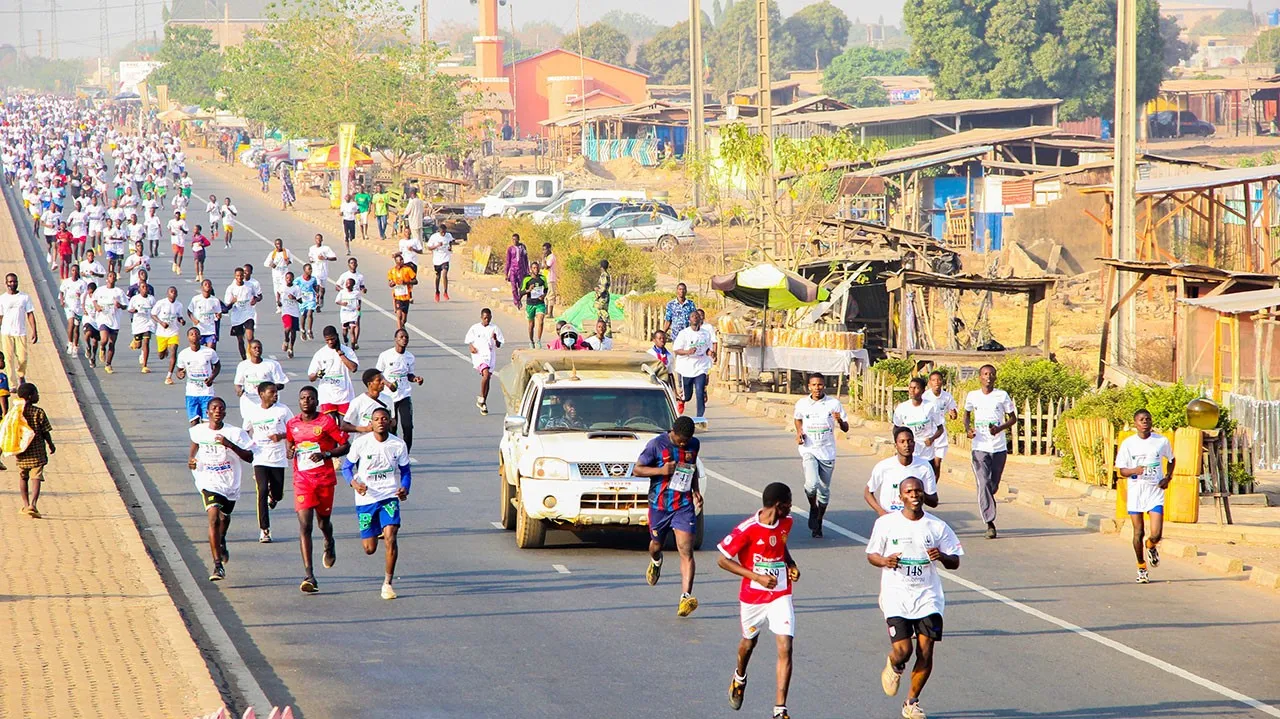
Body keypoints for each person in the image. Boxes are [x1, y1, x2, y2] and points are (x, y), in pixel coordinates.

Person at [866, 477, 964, 719]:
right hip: (896, 595)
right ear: (901, 497)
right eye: (909, 491)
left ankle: (911, 702)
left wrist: (941, 556)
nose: (914, 494)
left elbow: (955, 561)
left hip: (928, 596)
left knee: (926, 651)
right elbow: (872, 555)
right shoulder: (887, 524)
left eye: (918, 491)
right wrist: (885, 561)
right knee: (903, 650)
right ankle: (895, 664)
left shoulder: (937, 527)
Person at [718, 482, 800, 719]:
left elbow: (781, 547)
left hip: (780, 593)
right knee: (748, 643)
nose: (791, 507)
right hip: (753, 596)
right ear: (777, 504)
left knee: (786, 645)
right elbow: (722, 560)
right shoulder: (748, 529)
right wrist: (757, 577)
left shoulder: (787, 522)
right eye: (788, 503)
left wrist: (790, 564)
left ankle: (780, 709)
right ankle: (739, 676)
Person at [634, 416, 702, 617]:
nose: (684, 444)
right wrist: (661, 470)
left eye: (687, 441)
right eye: (681, 440)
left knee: (686, 550)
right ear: (673, 432)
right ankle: (656, 561)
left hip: (683, 505)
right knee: (656, 545)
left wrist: (696, 490)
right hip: (660, 504)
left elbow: (692, 467)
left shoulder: (694, 444)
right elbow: (637, 469)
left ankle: (685, 597)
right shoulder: (656, 445)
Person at [341, 407, 411, 600]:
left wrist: (404, 488)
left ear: (390, 422)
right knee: (369, 549)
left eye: (384, 419)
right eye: (376, 419)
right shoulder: (361, 444)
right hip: (366, 499)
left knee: (391, 537)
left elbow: (405, 472)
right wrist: (354, 483)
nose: (380, 422)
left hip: (389, 496)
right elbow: (346, 467)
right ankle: (376, 529)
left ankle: (387, 583)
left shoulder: (398, 445)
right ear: (370, 423)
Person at [286, 386, 350, 593]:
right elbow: (290, 444)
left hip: (323, 479)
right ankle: (309, 575)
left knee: (323, 522)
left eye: (310, 398)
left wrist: (326, 454)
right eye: (303, 398)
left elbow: (345, 445)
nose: (306, 401)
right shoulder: (292, 424)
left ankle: (329, 541)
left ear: (316, 401)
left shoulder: (326, 422)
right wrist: (291, 450)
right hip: (302, 480)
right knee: (305, 525)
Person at [188, 397, 256, 582]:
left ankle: (222, 538)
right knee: (213, 517)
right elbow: (195, 445)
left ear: (225, 412)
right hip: (207, 480)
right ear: (208, 412)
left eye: (221, 408)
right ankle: (217, 566)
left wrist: (229, 444)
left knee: (224, 516)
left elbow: (250, 457)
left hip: (230, 482)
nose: (217, 411)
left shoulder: (235, 433)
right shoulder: (198, 430)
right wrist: (191, 460)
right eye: (214, 408)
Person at [1115, 408, 1175, 584]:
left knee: (1156, 533)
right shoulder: (1128, 444)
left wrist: (1168, 478)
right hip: (1136, 492)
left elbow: (1172, 460)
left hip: (1154, 491)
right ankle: (1141, 567)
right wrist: (1135, 470)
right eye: (1141, 419)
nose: (1145, 422)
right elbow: (1122, 470)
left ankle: (1151, 545)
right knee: (1138, 532)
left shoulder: (1161, 441)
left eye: (1148, 419)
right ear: (1135, 423)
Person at [963, 364, 1017, 539]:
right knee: (983, 483)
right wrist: (968, 430)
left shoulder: (1002, 396)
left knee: (992, 485)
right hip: (979, 448)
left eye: (991, 374)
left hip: (998, 448)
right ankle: (990, 523)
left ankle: (989, 497)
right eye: (985, 374)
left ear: (995, 377)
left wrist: (999, 428)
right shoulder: (973, 396)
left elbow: (1013, 419)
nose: (988, 377)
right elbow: (966, 415)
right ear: (980, 377)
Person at [793, 373, 849, 538]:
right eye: (814, 385)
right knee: (811, 485)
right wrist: (799, 432)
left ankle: (819, 520)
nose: (817, 388)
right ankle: (813, 506)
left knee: (824, 490)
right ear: (808, 386)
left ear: (824, 386)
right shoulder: (802, 403)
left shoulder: (833, 404)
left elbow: (846, 428)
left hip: (827, 452)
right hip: (809, 449)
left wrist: (839, 421)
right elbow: (798, 419)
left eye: (820, 385)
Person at [242, 382, 294, 543]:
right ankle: (264, 530)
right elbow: (245, 431)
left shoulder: (283, 410)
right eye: (271, 392)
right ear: (261, 395)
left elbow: (294, 429)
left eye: (276, 392)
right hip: (260, 457)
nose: (275, 395)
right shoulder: (253, 412)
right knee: (262, 490)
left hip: (278, 458)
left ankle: (275, 496)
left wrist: (282, 437)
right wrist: (247, 447)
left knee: (277, 493)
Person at [866, 426, 940, 518]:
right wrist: (881, 511)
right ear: (896, 445)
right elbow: (868, 492)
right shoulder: (884, 466)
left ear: (914, 444)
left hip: (913, 518)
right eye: (902, 442)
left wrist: (917, 492)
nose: (906, 445)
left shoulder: (924, 466)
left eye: (910, 441)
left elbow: (934, 502)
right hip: (889, 517)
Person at [14, 383, 55, 519]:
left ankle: (25, 505)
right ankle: (33, 504)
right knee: (36, 477)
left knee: (23, 477)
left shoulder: (16, 413)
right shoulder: (39, 412)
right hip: (37, 452)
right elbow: (45, 432)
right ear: (31, 396)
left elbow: (8, 430)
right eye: (37, 393)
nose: (38, 396)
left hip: (21, 451)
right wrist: (51, 444)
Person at [377, 329, 423, 451]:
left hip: (404, 395)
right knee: (392, 426)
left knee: (408, 426)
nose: (404, 339)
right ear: (396, 339)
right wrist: (387, 384)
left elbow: (409, 375)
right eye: (401, 337)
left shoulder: (410, 357)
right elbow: (378, 374)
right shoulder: (385, 355)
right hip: (388, 397)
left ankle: (406, 453)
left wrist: (416, 379)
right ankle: (392, 451)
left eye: (406, 337)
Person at [308, 325, 359, 419]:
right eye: (327, 340)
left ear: (337, 336)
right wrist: (317, 375)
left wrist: (340, 354)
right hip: (327, 396)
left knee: (344, 426)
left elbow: (353, 368)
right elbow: (311, 377)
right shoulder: (320, 353)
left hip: (344, 395)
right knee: (330, 425)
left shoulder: (347, 351)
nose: (330, 342)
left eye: (332, 339)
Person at [893, 378, 945, 468]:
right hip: (910, 451)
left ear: (922, 391)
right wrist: (899, 444)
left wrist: (932, 439)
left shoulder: (931, 407)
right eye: (910, 388)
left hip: (926, 452)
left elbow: (940, 428)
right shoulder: (902, 408)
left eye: (916, 388)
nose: (912, 391)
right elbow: (896, 428)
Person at [233, 338, 289, 420]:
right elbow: (238, 383)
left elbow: (281, 384)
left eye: (259, 348)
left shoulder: (272, 364)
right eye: (254, 348)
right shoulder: (243, 365)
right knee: (250, 426)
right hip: (250, 402)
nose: (257, 350)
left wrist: (267, 389)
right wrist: (239, 391)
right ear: (249, 350)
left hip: (268, 402)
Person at [672, 310, 714, 417]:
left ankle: (699, 417)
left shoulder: (706, 333)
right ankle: (682, 400)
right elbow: (676, 350)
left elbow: (708, 348)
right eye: (693, 316)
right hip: (687, 367)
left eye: (697, 316)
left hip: (701, 366)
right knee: (688, 395)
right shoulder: (684, 333)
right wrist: (687, 352)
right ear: (689, 319)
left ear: (700, 319)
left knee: (700, 391)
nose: (695, 318)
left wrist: (710, 352)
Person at [176, 327, 221, 426]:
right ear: (188, 337)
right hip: (192, 393)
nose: (194, 335)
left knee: (207, 423)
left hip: (207, 392)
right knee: (194, 422)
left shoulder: (209, 352)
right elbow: (179, 370)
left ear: (200, 336)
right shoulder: (183, 354)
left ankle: (206, 441)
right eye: (192, 334)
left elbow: (217, 365)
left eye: (197, 333)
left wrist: (211, 378)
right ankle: (196, 441)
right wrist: (180, 375)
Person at [0, 272, 37, 388]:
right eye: (10, 282)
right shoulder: (2, 299)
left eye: (14, 281)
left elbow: (30, 314)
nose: (13, 284)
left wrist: (34, 331)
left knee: (22, 358)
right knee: (8, 359)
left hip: (20, 332)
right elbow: (0, 317)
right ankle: (12, 384)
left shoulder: (24, 297)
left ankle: (21, 375)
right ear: (6, 283)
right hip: (6, 332)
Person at [465, 308, 503, 416]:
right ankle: (482, 397)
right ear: (481, 317)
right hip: (479, 356)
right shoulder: (475, 328)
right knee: (485, 375)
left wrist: (495, 339)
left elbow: (499, 345)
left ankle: (483, 402)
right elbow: (469, 340)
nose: (487, 320)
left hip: (490, 356)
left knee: (488, 379)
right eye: (485, 318)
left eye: (489, 318)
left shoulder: (495, 328)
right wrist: (471, 347)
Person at [924, 371, 958, 480]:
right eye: (933, 380)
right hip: (928, 433)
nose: (936, 382)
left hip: (940, 433)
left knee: (937, 463)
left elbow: (953, 413)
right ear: (930, 382)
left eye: (938, 380)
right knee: (928, 463)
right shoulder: (925, 397)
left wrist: (953, 414)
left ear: (942, 382)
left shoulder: (947, 397)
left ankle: (933, 488)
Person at [341, 368, 398, 434]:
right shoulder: (358, 402)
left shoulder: (388, 399)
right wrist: (365, 429)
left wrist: (387, 423)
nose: (382, 383)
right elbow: (344, 426)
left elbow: (393, 420)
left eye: (382, 380)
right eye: (378, 380)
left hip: (383, 441)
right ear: (369, 384)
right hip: (364, 441)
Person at [91, 271, 126, 374]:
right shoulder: (100, 290)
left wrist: (120, 306)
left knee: (112, 343)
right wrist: (97, 306)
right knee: (104, 339)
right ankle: (102, 347)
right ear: (107, 278)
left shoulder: (119, 292)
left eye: (114, 276)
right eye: (110, 276)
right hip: (103, 319)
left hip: (115, 320)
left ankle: (108, 364)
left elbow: (126, 305)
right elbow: (94, 299)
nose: (112, 278)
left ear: (115, 279)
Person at [224, 267, 260, 361]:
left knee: (250, 337)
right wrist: (232, 302)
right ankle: (244, 359)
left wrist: (255, 300)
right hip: (237, 317)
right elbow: (226, 307)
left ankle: (251, 356)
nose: (240, 277)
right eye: (237, 276)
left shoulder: (250, 285)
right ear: (235, 277)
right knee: (240, 340)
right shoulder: (231, 288)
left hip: (248, 314)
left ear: (244, 275)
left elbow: (259, 296)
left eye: (241, 275)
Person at [152, 286, 186, 384]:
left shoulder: (179, 305)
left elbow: (179, 316)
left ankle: (169, 376)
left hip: (173, 332)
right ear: (167, 294)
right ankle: (164, 349)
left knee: (174, 351)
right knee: (161, 356)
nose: (173, 294)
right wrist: (161, 322)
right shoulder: (161, 303)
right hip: (161, 333)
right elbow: (153, 314)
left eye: (175, 292)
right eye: (171, 292)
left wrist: (182, 321)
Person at [125, 281, 157, 373]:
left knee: (146, 342)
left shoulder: (151, 299)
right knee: (138, 344)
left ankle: (145, 366)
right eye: (143, 287)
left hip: (148, 323)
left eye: (146, 287)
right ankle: (135, 341)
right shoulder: (135, 299)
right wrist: (133, 310)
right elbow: (129, 309)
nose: (145, 289)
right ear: (139, 289)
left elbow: (155, 310)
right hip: (138, 324)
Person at [59, 264, 87, 358]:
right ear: (71, 271)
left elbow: (85, 295)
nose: (74, 272)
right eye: (73, 270)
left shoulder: (82, 283)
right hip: (69, 306)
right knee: (71, 324)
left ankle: (76, 346)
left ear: (78, 272)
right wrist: (62, 300)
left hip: (78, 308)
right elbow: (61, 292)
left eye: (76, 270)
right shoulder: (66, 282)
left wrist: (81, 299)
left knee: (76, 327)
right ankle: (70, 343)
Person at [188, 279, 223, 349]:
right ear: (202, 287)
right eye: (205, 284)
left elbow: (219, 313)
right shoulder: (196, 299)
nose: (207, 286)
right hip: (199, 330)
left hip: (211, 330)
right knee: (198, 351)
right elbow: (189, 311)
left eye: (209, 285)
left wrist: (218, 316)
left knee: (211, 351)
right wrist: (193, 319)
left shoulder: (215, 300)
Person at [306, 234, 337, 311]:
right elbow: (310, 257)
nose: (318, 240)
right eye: (317, 239)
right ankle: (317, 304)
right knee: (317, 287)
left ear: (322, 240)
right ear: (315, 240)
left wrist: (325, 258)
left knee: (322, 290)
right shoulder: (312, 248)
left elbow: (334, 258)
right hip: (315, 271)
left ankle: (321, 298)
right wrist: (310, 260)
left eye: (320, 239)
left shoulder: (326, 248)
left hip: (323, 271)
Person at [387, 253, 417, 331]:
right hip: (397, 296)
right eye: (399, 260)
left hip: (406, 295)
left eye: (402, 260)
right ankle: (400, 331)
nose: (402, 261)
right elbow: (390, 283)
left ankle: (402, 325)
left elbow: (415, 281)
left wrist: (406, 282)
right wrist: (391, 284)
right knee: (399, 315)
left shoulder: (407, 269)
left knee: (404, 319)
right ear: (396, 261)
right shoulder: (392, 271)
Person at [264, 238, 293, 314]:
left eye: (280, 244)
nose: (279, 245)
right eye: (277, 244)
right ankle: (278, 306)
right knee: (277, 291)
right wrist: (271, 264)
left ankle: (285, 305)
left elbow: (291, 260)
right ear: (275, 245)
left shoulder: (286, 252)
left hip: (284, 275)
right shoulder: (272, 254)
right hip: (276, 276)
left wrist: (288, 261)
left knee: (284, 290)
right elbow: (265, 263)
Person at [426, 223, 453, 301]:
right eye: (442, 232)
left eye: (444, 232)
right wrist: (437, 245)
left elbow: (451, 241)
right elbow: (429, 248)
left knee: (445, 274)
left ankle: (445, 292)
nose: (443, 234)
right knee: (438, 276)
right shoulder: (434, 237)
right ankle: (437, 291)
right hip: (437, 259)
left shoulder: (448, 235)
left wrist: (450, 248)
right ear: (439, 231)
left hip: (445, 258)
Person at [280, 271, 302, 358]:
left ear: (293, 279)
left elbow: (301, 301)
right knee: (288, 327)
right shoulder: (282, 287)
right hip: (286, 311)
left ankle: (291, 347)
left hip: (295, 312)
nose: (289, 280)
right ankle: (286, 340)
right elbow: (278, 292)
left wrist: (294, 298)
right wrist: (278, 301)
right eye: (287, 278)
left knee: (293, 331)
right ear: (285, 279)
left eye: (290, 278)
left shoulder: (296, 288)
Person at [336, 276, 363, 349]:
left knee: (352, 331)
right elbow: (337, 301)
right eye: (346, 283)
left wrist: (358, 307)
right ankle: (345, 339)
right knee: (344, 331)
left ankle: (353, 348)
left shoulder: (356, 293)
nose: (346, 284)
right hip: (344, 313)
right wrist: (342, 303)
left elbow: (359, 300)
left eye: (348, 283)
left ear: (352, 285)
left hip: (353, 313)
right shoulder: (342, 292)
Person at [294, 265, 320, 341]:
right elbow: (293, 287)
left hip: (311, 299)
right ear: (304, 270)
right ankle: (302, 330)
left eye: (311, 269)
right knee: (303, 315)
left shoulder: (313, 279)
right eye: (309, 269)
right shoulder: (298, 280)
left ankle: (309, 330)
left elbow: (315, 286)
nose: (311, 270)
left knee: (310, 313)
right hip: (302, 299)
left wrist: (317, 293)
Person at [505, 233, 529, 308]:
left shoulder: (522, 247)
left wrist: (527, 270)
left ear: (518, 239)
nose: (514, 241)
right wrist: (506, 273)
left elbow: (526, 259)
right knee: (513, 287)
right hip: (513, 270)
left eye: (516, 239)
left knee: (521, 287)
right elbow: (508, 261)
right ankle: (516, 301)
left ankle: (519, 299)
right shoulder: (510, 249)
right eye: (513, 239)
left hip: (521, 270)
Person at [167, 208, 188, 275]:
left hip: (181, 239)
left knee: (180, 254)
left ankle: (179, 267)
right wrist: (171, 232)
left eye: (178, 215)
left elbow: (186, 231)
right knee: (176, 252)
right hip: (174, 238)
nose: (177, 216)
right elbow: (169, 227)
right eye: (176, 215)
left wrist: (182, 229)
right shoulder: (171, 221)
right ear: (174, 215)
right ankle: (174, 263)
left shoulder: (183, 222)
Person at [594, 259, 612, 333]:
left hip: (602, 297)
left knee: (602, 311)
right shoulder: (606, 274)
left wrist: (597, 291)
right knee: (600, 314)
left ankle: (608, 328)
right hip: (604, 296)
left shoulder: (604, 275)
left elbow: (603, 287)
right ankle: (600, 328)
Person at [542, 242, 557, 315]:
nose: (544, 251)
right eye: (543, 250)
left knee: (551, 296)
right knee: (545, 296)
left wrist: (544, 260)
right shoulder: (547, 257)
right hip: (545, 278)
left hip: (551, 279)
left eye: (545, 249)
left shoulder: (552, 257)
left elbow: (547, 266)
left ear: (549, 249)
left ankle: (550, 313)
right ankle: (546, 312)